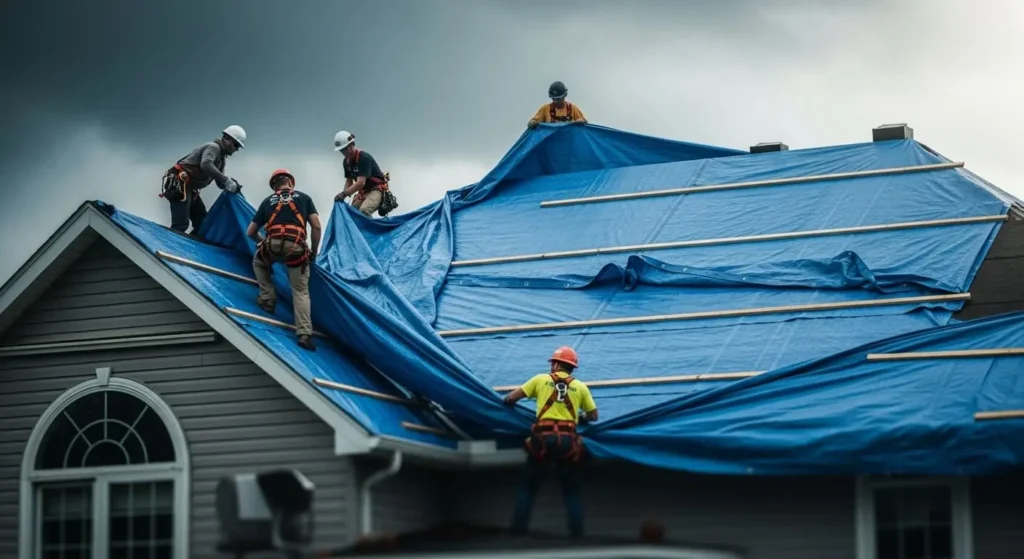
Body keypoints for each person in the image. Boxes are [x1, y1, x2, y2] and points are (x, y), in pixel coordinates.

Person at [502, 346, 598, 538]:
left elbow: (511, 398)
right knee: (571, 492)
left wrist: (505, 401)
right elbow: (594, 416)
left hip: (542, 441)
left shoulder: (540, 380)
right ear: (571, 367)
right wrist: (581, 418)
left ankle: (517, 533)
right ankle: (577, 537)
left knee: (528, 489)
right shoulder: (580, 387)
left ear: (555, 364)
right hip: (568, 443)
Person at [246, 168, 322, 351]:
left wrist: (263, 243)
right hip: (296, 247)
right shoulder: (304, 198)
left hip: (272, 245)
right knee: (300, 291)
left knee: (259, 262)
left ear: (274, 186)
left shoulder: (267, 201)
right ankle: (304, 334)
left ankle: (267, 298)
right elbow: (316, 227)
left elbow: (250, 232)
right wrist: (313, 251)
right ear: (291, 182)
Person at [160, 125, 246, 235]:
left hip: (190, 188)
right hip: (181, 184)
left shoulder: (221, 158)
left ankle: (192, 248)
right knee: (181, 224)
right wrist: (226, 180)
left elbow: (220, 182)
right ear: (227, 139)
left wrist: (231, 184)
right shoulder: (213, 147)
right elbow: (206, 165)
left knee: (202, 222)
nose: (236, 149)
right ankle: (170, 247)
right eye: (236, 145)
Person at [332, 130, 398, 217]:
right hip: (364, 192)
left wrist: (344, 194)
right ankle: (358, 230)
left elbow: (360, 183)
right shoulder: (346, 162)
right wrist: (343, 196)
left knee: (364, 211)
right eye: (342, 150)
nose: (344, 152)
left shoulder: (363, 158)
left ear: (352, 145)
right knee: (352, 213)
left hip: (376, 190)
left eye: (345, 149)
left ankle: (372, 230)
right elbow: (349, 181)